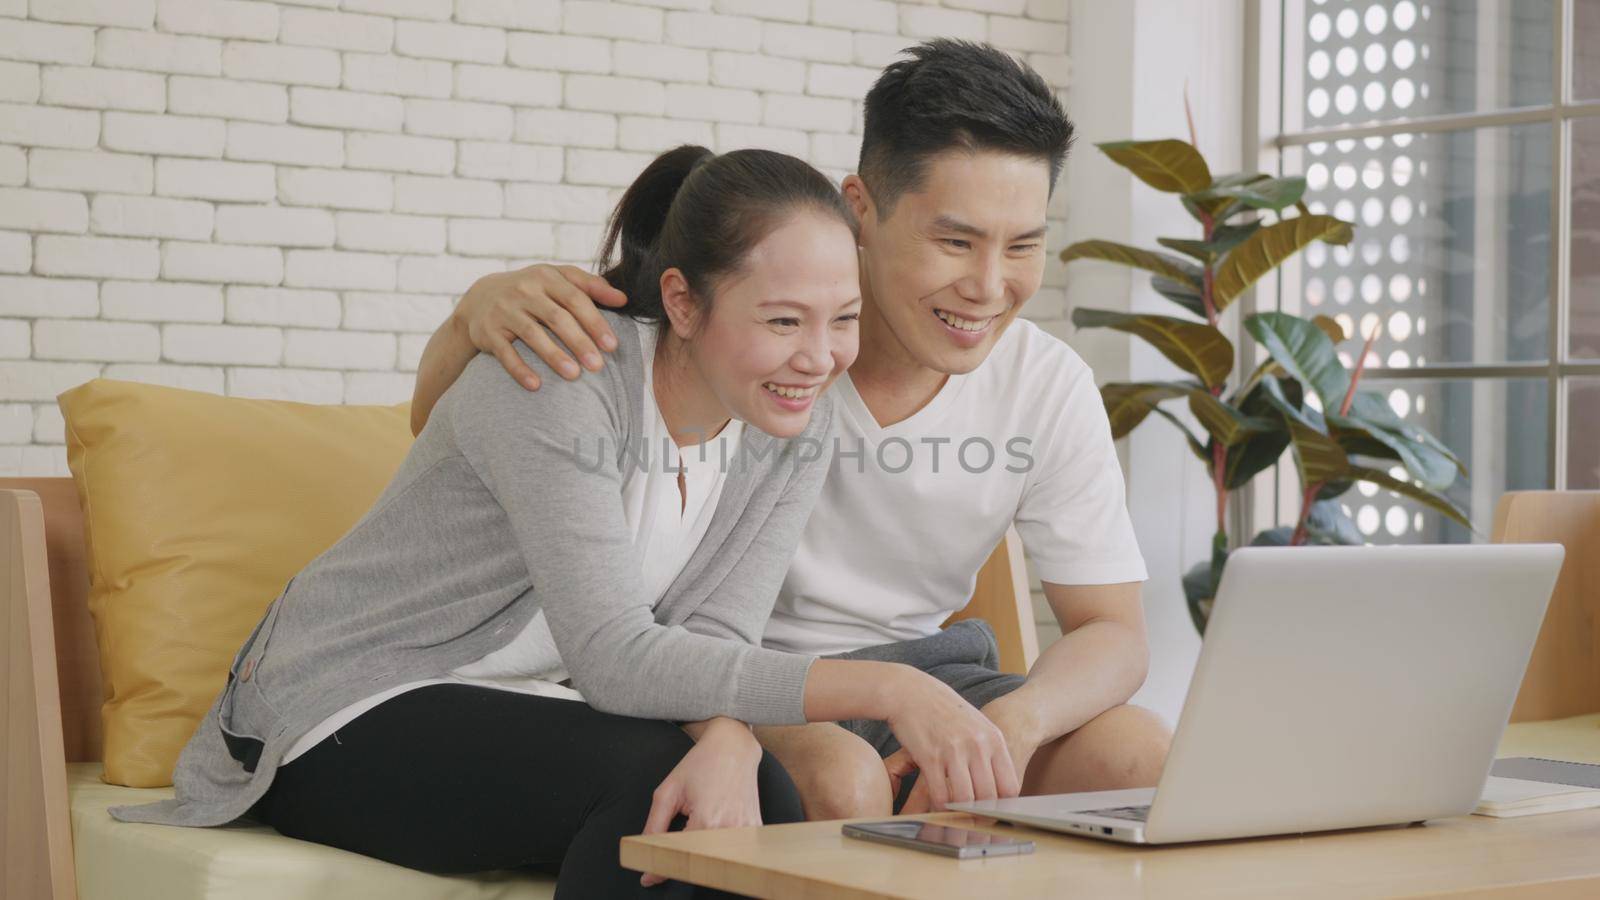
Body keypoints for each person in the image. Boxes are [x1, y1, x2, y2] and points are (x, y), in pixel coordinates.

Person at [109, 145, 1021, 899]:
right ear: (682, 302)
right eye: (783, 319)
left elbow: (717, 633)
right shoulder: (558, 378)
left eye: (844, 320)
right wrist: (893, 689)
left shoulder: (794, 418)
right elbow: (616, 657)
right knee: (644, 791)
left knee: (763, 800)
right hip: (345, 707)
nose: (819, 357)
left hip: (529, 702)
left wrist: (734, 736)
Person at [411, 40, 1175, 822]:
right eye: (955, 241)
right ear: (861, 209)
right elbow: (465, 437)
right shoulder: (752, 343)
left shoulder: (1046, 385)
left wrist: (1018, 720)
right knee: (846, 781)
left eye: (1022, 245)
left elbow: (1113, 632)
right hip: (732, 675)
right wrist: (471, 316)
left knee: (1140, 757)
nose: (988, 287)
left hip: (928, 675)